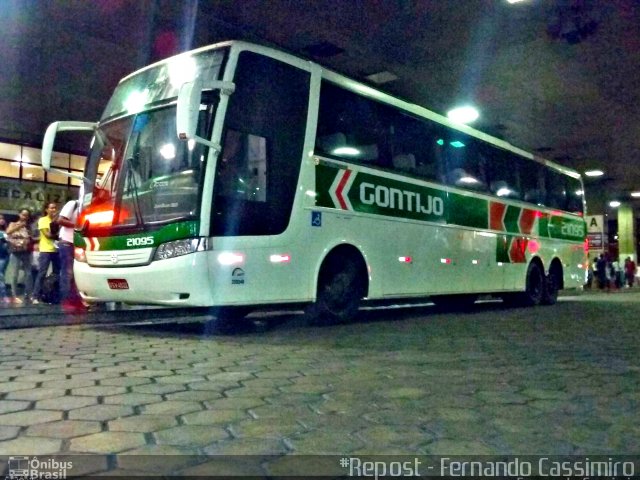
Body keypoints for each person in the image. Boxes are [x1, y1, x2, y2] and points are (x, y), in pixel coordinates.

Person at [57, 199, 85, 311]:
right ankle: (66, 300)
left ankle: (75, 299)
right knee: (67, 272)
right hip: (67, 242)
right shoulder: (74, 204)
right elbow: (60, 220)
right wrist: (78, 225)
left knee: (76, 273)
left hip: (78, 243)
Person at [32, 202, 61, 304]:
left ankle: (53, 295)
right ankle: (35, 296)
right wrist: (58, 236)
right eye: (51, 208)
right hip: (46, 250)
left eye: (55, 208)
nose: (53, 210)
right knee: (42, 273)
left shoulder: (58, 221)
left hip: (56, 250)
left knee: (57, 273)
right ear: (46, 210)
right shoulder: (43, 220)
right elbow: (47, 235)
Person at [6, 209, 34, 304]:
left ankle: (28, 295)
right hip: (15, 251)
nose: (25, 217)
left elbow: (31, 238)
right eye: (23, 214)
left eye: (26, 215)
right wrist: (19, 226)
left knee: (28, 273)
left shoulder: (29, 227)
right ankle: (14, 296)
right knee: (14, 274)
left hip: (26, 252)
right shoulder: (13, 224)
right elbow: (8, 232)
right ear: (19, 215)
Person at [0, 215, 9, 303]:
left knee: (1, 275)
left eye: (2, 218)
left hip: (4, 256)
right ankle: (4, 295)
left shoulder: (5, 231)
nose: (1, 220)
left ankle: (3, 295)